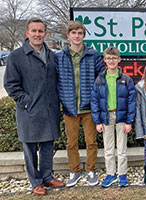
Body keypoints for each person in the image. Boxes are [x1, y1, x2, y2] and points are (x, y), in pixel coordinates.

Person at [4, 18, 65, 195]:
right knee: (30, 149)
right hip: (29, 110)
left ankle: (47, 177)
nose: (37, 34)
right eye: (34, 31)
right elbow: (11, 85)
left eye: (40, 31)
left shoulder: (52, 55)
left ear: (45, 33)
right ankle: (35, 182)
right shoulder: (16, 56)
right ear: (27, 33)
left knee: (47, 145)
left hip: (49, 109)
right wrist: (27, 101)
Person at [55, 21, 105, 187]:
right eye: (74, 33)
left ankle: (90, 170)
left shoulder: (93, 55)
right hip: (70, 107)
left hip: (89, 107)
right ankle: (74, 171)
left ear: (84, 35)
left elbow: (101, 78)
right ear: (68, 35)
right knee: (71, 143)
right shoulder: (59, 57)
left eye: (80, 33)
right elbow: (55, 81)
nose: (77, 36)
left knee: (91, 142)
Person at [91, 47, 136, 187]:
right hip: (106, 117)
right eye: (108, 58)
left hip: (121, 117)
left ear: (119, 60)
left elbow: (131, 101)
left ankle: (122, 174)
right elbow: (95, 101)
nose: (111, 61)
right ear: (104, 60)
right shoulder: (100, 79)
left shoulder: (126, 79)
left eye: (114, 58)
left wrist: (129, 121)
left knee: (122, 148)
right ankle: (111, 174)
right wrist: (97, 121)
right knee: (108, 148)